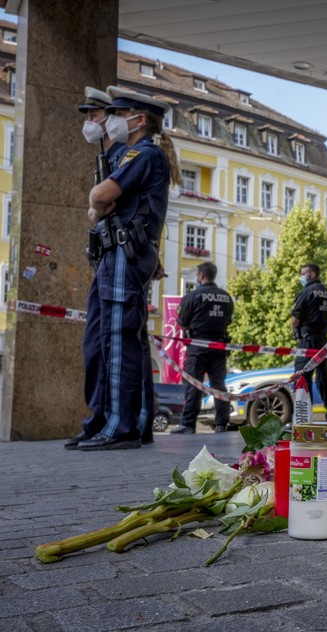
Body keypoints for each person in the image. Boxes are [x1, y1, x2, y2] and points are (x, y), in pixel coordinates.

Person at [65, 86, 181, 451]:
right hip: (116, 252)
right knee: (103, 340)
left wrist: (98, 204)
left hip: (125, 252)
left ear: (139, 118)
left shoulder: (144, 154)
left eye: (116, 113)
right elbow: (101, 204)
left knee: (117, 341)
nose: (107, 120)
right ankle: (114, 421)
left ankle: (121, 426)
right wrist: (100, 206)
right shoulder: (132, 154)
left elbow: (99, 199)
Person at [171, 262, 234, 434]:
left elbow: (182, 324)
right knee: (219, 385)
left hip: (197, 347)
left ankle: (188, 424)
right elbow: (228, 321)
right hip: (219, 347)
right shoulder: (226, 297)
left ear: (201, 276)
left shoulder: (193, 296)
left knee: (193, 385)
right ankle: (222, 423)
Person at [291, 263, 327, 422]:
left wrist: (295, 332)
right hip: (324, 341)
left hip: (307, 340)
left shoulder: (306, 292)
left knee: (302, 378)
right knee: (324, 379)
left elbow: (295, 319)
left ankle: (303, 418)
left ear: (312, 274)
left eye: (303, 273)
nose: (301, 276)